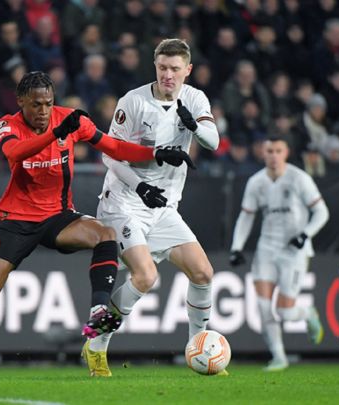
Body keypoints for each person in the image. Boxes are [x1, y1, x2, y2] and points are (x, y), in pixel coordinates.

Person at [0, 71, 194, 379]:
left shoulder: (70, 119)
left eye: (48, 103)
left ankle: (98, 311)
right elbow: (15, 153)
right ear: (21, 102)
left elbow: (114, 147)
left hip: (58, 216)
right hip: (16, 221)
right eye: (36, 105)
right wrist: (56, 133)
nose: (43, 111)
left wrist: (155, 153)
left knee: (105, 234)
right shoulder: (7, 125)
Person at [82, 39, 220, 377]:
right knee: (145, 276)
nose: (168, 75)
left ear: (188, 70)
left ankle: (198, 348)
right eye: (162, 68)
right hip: (125, 203)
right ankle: (97, 343)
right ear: (155, 67)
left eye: (175, 69)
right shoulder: (133, 102)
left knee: (203, 273)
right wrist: (140, 186)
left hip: (164, 207)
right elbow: (110, 155)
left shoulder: (195, 99)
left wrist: (194, 126)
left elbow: (213, 142)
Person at [229, 135, 329, 372]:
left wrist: (305, 234)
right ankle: (279, 357)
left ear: (286, 153)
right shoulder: (256, 182)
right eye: (270, 151)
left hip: (294, 251)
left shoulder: (299, 178)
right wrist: (236, 247)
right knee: (263, 307)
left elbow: (322, 212)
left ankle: (307, 313)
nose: (274, 156)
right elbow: (246, 216)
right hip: (266, 248)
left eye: (278, 151)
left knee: (285, 311)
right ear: (263, 153)